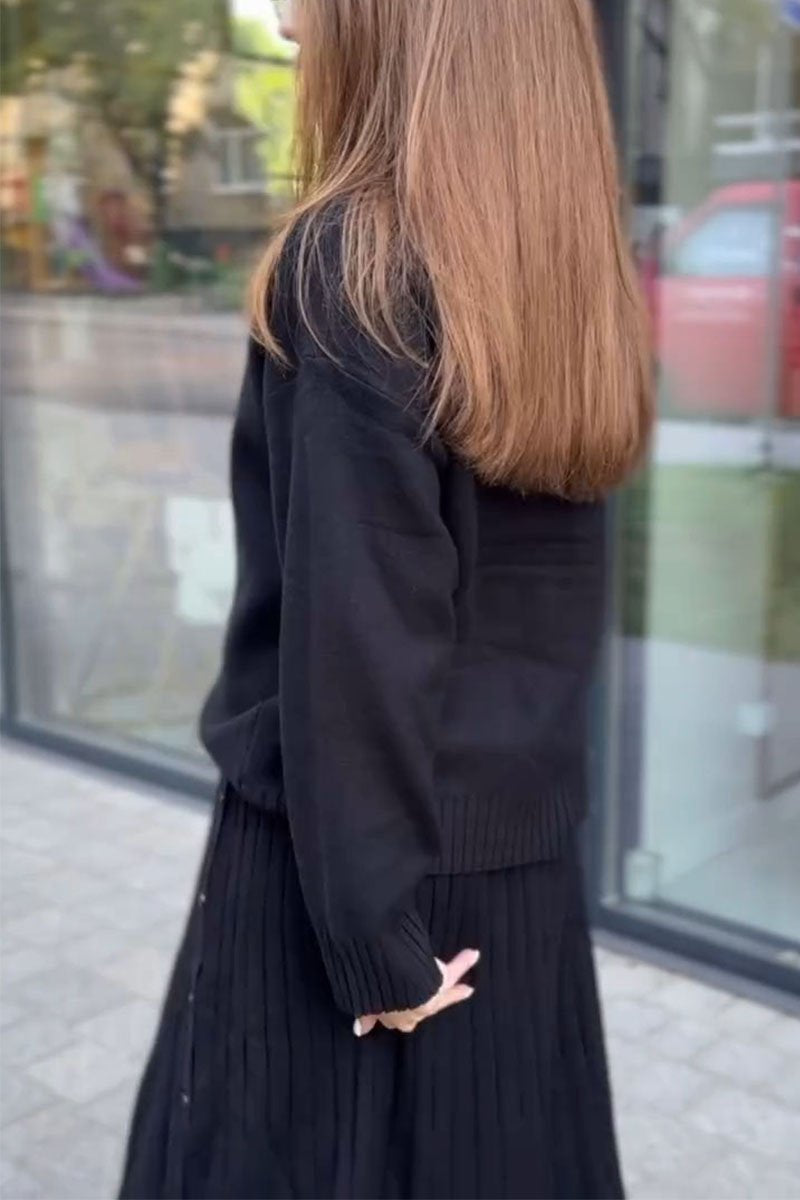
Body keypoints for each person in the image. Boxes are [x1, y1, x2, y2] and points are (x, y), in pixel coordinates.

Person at [119, 0, 651, 1196]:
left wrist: (371, 941)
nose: (285, 21)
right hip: (515, 871)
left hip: (354, 880)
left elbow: (357, 640)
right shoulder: (560, 261)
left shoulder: (352, 263)